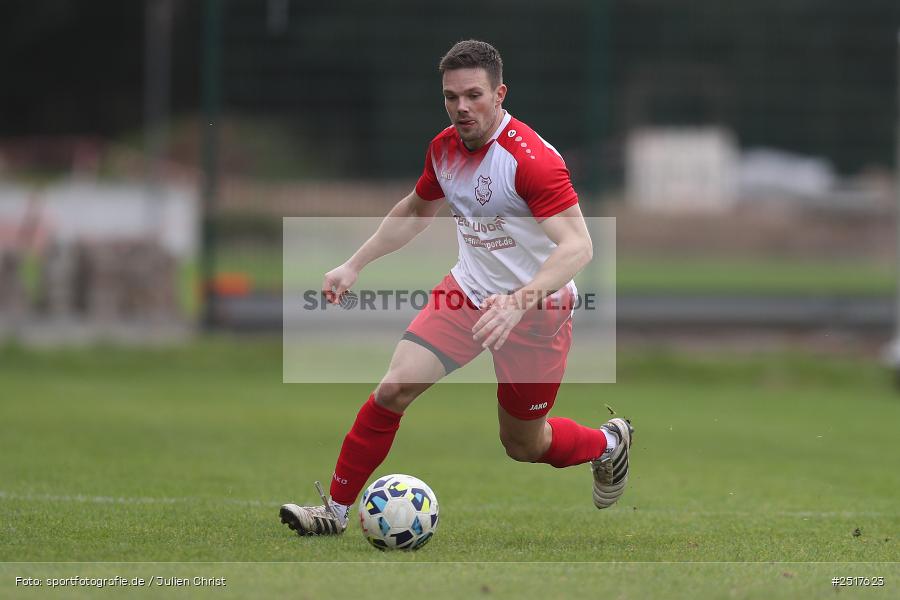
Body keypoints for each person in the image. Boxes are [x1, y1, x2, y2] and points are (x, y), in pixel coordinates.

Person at [280, 40, 632, 536]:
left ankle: (608, 445)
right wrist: (354, 264)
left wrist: (518, 300)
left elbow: (578, 246)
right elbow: (415, 211)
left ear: (500, 94)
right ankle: (333, 513)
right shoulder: (444, 148)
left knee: (524, 445)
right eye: (451, 97)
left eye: (473, 95)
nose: (462, 107)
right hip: (465, 295)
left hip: (536, 315)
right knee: (393, 389)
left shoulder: (531, 161)